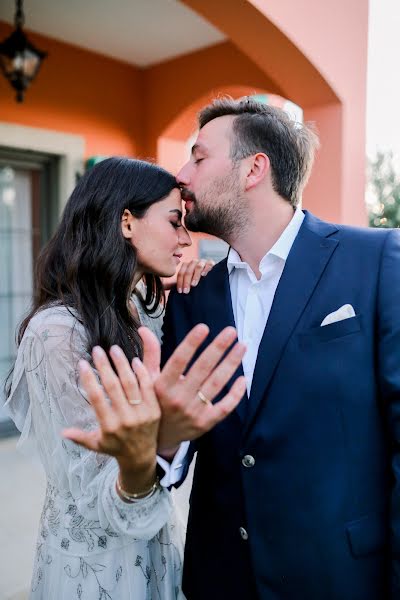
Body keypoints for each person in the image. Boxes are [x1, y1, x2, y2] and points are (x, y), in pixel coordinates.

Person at [153, 97, 400, 599]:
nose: (182, 174)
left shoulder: (376, 261)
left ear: (254, 169)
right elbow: (181, 446)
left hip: (342, 579)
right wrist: (164, 441)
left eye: (199, 157)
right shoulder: (190, 295)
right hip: (220, 580)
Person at [4, 157, 246, 600]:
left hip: (155, 545)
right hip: (94, 569)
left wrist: (203, 290)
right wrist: (164, 441)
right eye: (174, 222)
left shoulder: (144, 310)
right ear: (126, 222)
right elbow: (99, 490)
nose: (185, 239)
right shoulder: (56, 333)